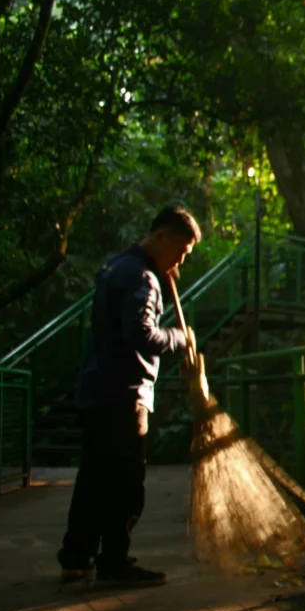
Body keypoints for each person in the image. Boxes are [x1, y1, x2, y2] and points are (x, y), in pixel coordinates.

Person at [56, 205, 201, 586]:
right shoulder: (142, 278)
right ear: (162, 236)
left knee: (94, 478)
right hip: (123, 394)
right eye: (182, 251)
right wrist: (179, 338)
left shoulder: (116, 267)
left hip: (96, 390)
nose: (181, 260)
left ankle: (77, 556)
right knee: (124, 483)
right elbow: (140, 334)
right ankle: (115, 563)